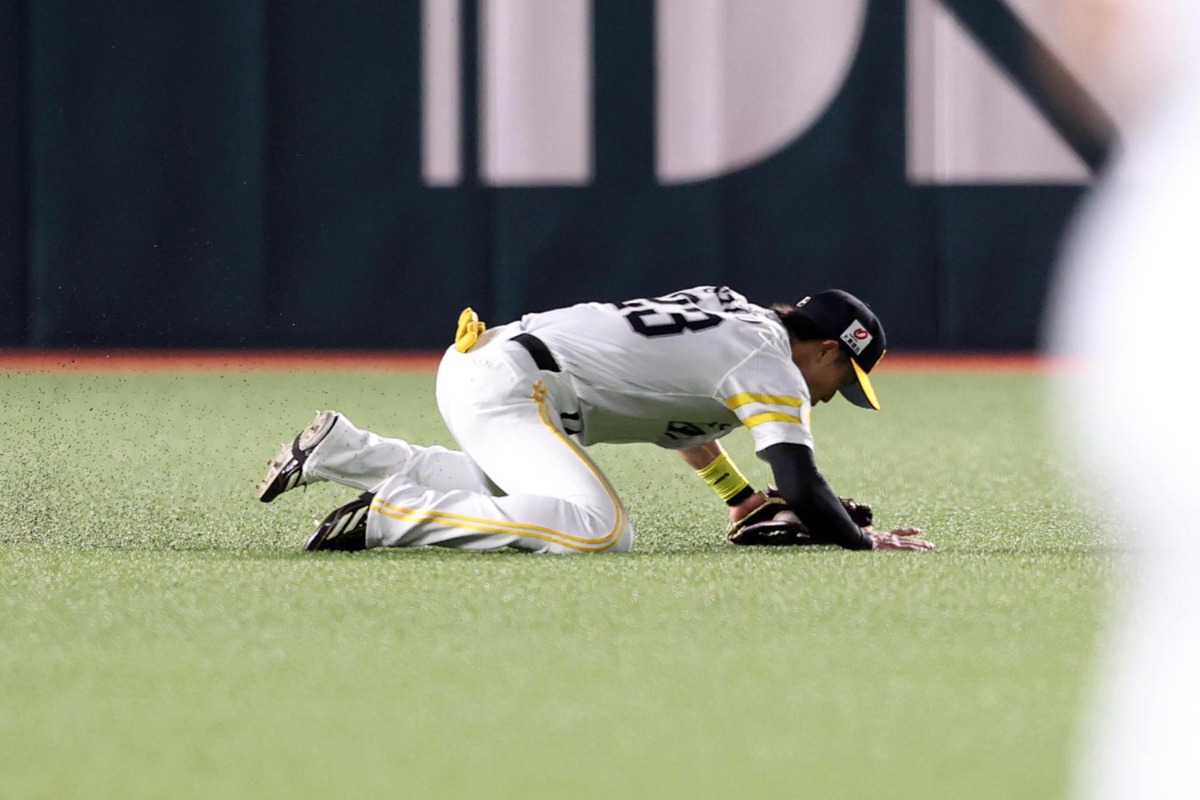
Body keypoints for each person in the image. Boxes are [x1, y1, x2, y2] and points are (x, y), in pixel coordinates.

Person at [257, 285, 933, 554]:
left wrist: (741, 499)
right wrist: (860, 540)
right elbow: (802, 480)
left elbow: (680, 420)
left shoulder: (733, 313)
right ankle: (391, 517)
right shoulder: (772, 365)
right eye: (844, 379)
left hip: (484, 362)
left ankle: (346, 451)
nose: (831, 395)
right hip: (518, 387)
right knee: (601, 530)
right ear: (826, 349)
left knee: (509, 489)